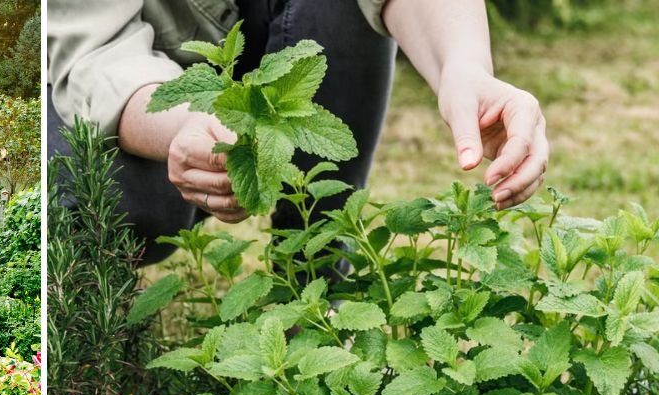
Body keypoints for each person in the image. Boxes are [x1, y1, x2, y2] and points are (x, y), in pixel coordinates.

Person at [48, 0, 550, 263]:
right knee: (95, 198)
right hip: (125, 87)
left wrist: (465, 65)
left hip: (256, 50)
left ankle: (316, 273)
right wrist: (184, 128)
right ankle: (84, 324)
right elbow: (94, 51)